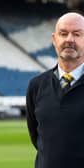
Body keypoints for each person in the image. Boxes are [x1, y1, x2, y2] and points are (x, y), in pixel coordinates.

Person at [26, 12, 84, 168]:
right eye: (63, 33)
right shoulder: (36, 86)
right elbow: (37, 137)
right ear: (54, 39)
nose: (69, 39)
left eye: (77, 34)